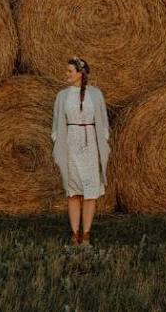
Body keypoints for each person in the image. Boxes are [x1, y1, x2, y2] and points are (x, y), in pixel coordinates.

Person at [51, 56, 111, 247]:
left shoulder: (96, 94)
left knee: (90, 191)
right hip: (70, 143)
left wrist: (102, 140)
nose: (66, 74)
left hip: (90, 145)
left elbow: (103, 122)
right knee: (74, 191)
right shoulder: (62, 96)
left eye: (70, 71)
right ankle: (74, 233)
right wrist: (59, 142)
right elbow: (56, 124)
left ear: (80, 73)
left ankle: (86, 234)